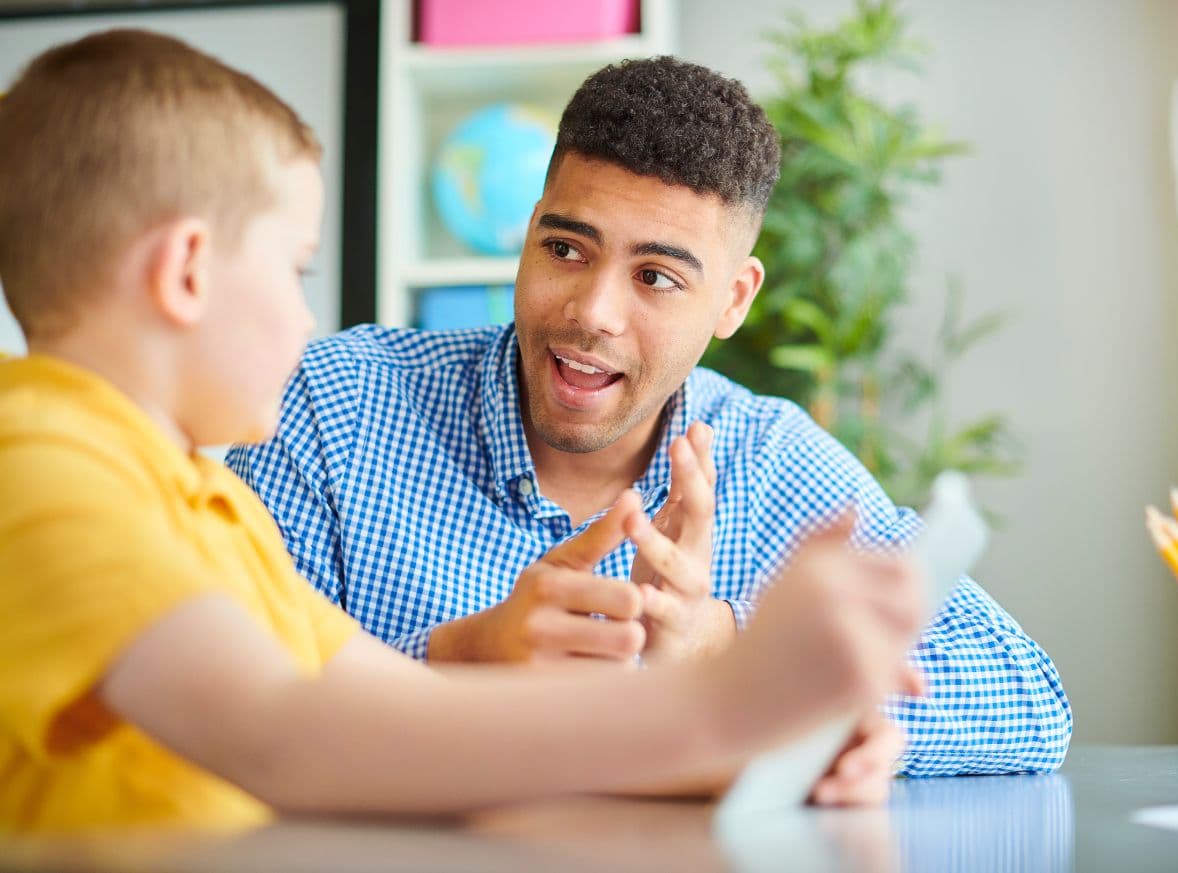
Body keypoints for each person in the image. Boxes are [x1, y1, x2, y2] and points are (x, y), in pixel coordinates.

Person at [0, 30, 925, 833]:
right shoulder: (41, 469)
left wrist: (780, 744)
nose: (305, 317)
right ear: (188, 273)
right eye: (297, 269)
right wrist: (723, 706)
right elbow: (289, 739)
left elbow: (408, 719)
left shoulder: (196, 506)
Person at [229, 56, 1072, 778]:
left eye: (657, 277)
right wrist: (461, 658)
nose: (592, 312)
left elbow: (1027, 693)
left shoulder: (773, 460)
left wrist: (736, 661)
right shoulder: (333, 406)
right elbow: (218, 690)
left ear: (733, 300)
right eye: (566, 249)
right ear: (526, 236)